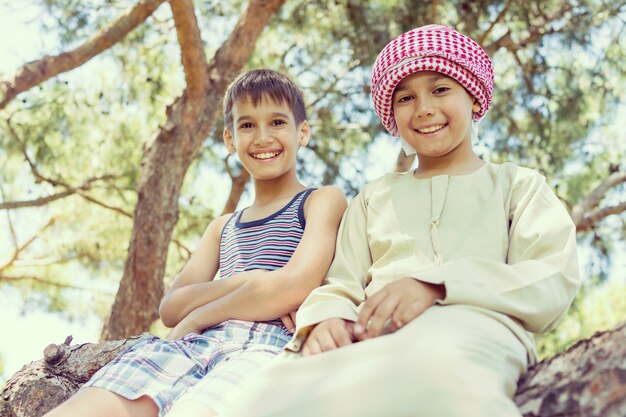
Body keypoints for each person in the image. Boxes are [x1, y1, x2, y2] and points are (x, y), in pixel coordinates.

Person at [219, 25, 581, 417]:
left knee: (440, 384)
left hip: (473, 329)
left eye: (440, 89)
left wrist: (437, 286)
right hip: (363, 336)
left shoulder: (518, 185)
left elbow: (549, 276)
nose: (423, 108)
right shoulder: (374, 197)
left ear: (474, 99)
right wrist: (327, 320)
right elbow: (339, 282)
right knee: (261, 399)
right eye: (406, 97)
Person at [43, 69, 347, 417]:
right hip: (190, 344)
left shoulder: (321, 200)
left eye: (277, 122)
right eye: (247, 125)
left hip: (264, 347)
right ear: (230, 139)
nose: (263, 136)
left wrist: (201, 313)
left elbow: (295, 284)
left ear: (302, 132)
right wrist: (255, 282)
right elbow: (172, 307)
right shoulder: (222, 227)